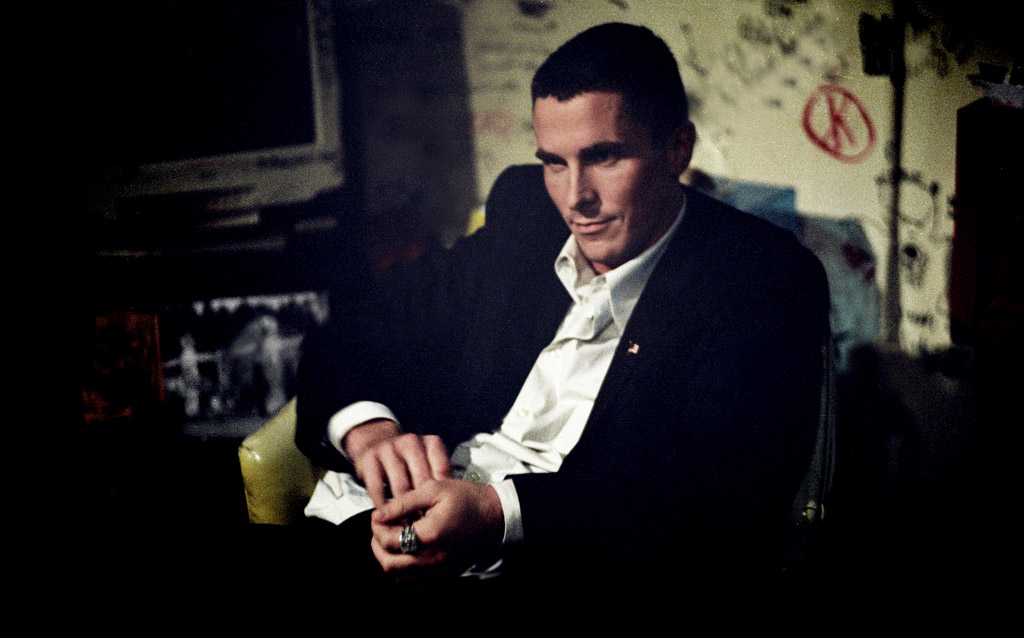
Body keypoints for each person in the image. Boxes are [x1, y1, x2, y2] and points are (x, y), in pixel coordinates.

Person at [296, 22, 830, 604]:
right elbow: (362, 325)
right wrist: (370, 432)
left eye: (604, 157)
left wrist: (498, 512)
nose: (576, 198)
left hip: (570, 577)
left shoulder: (761, 276)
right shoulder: (527, 214)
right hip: (392, 526)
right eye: (554, 162)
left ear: (677, 149)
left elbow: (715, 493)